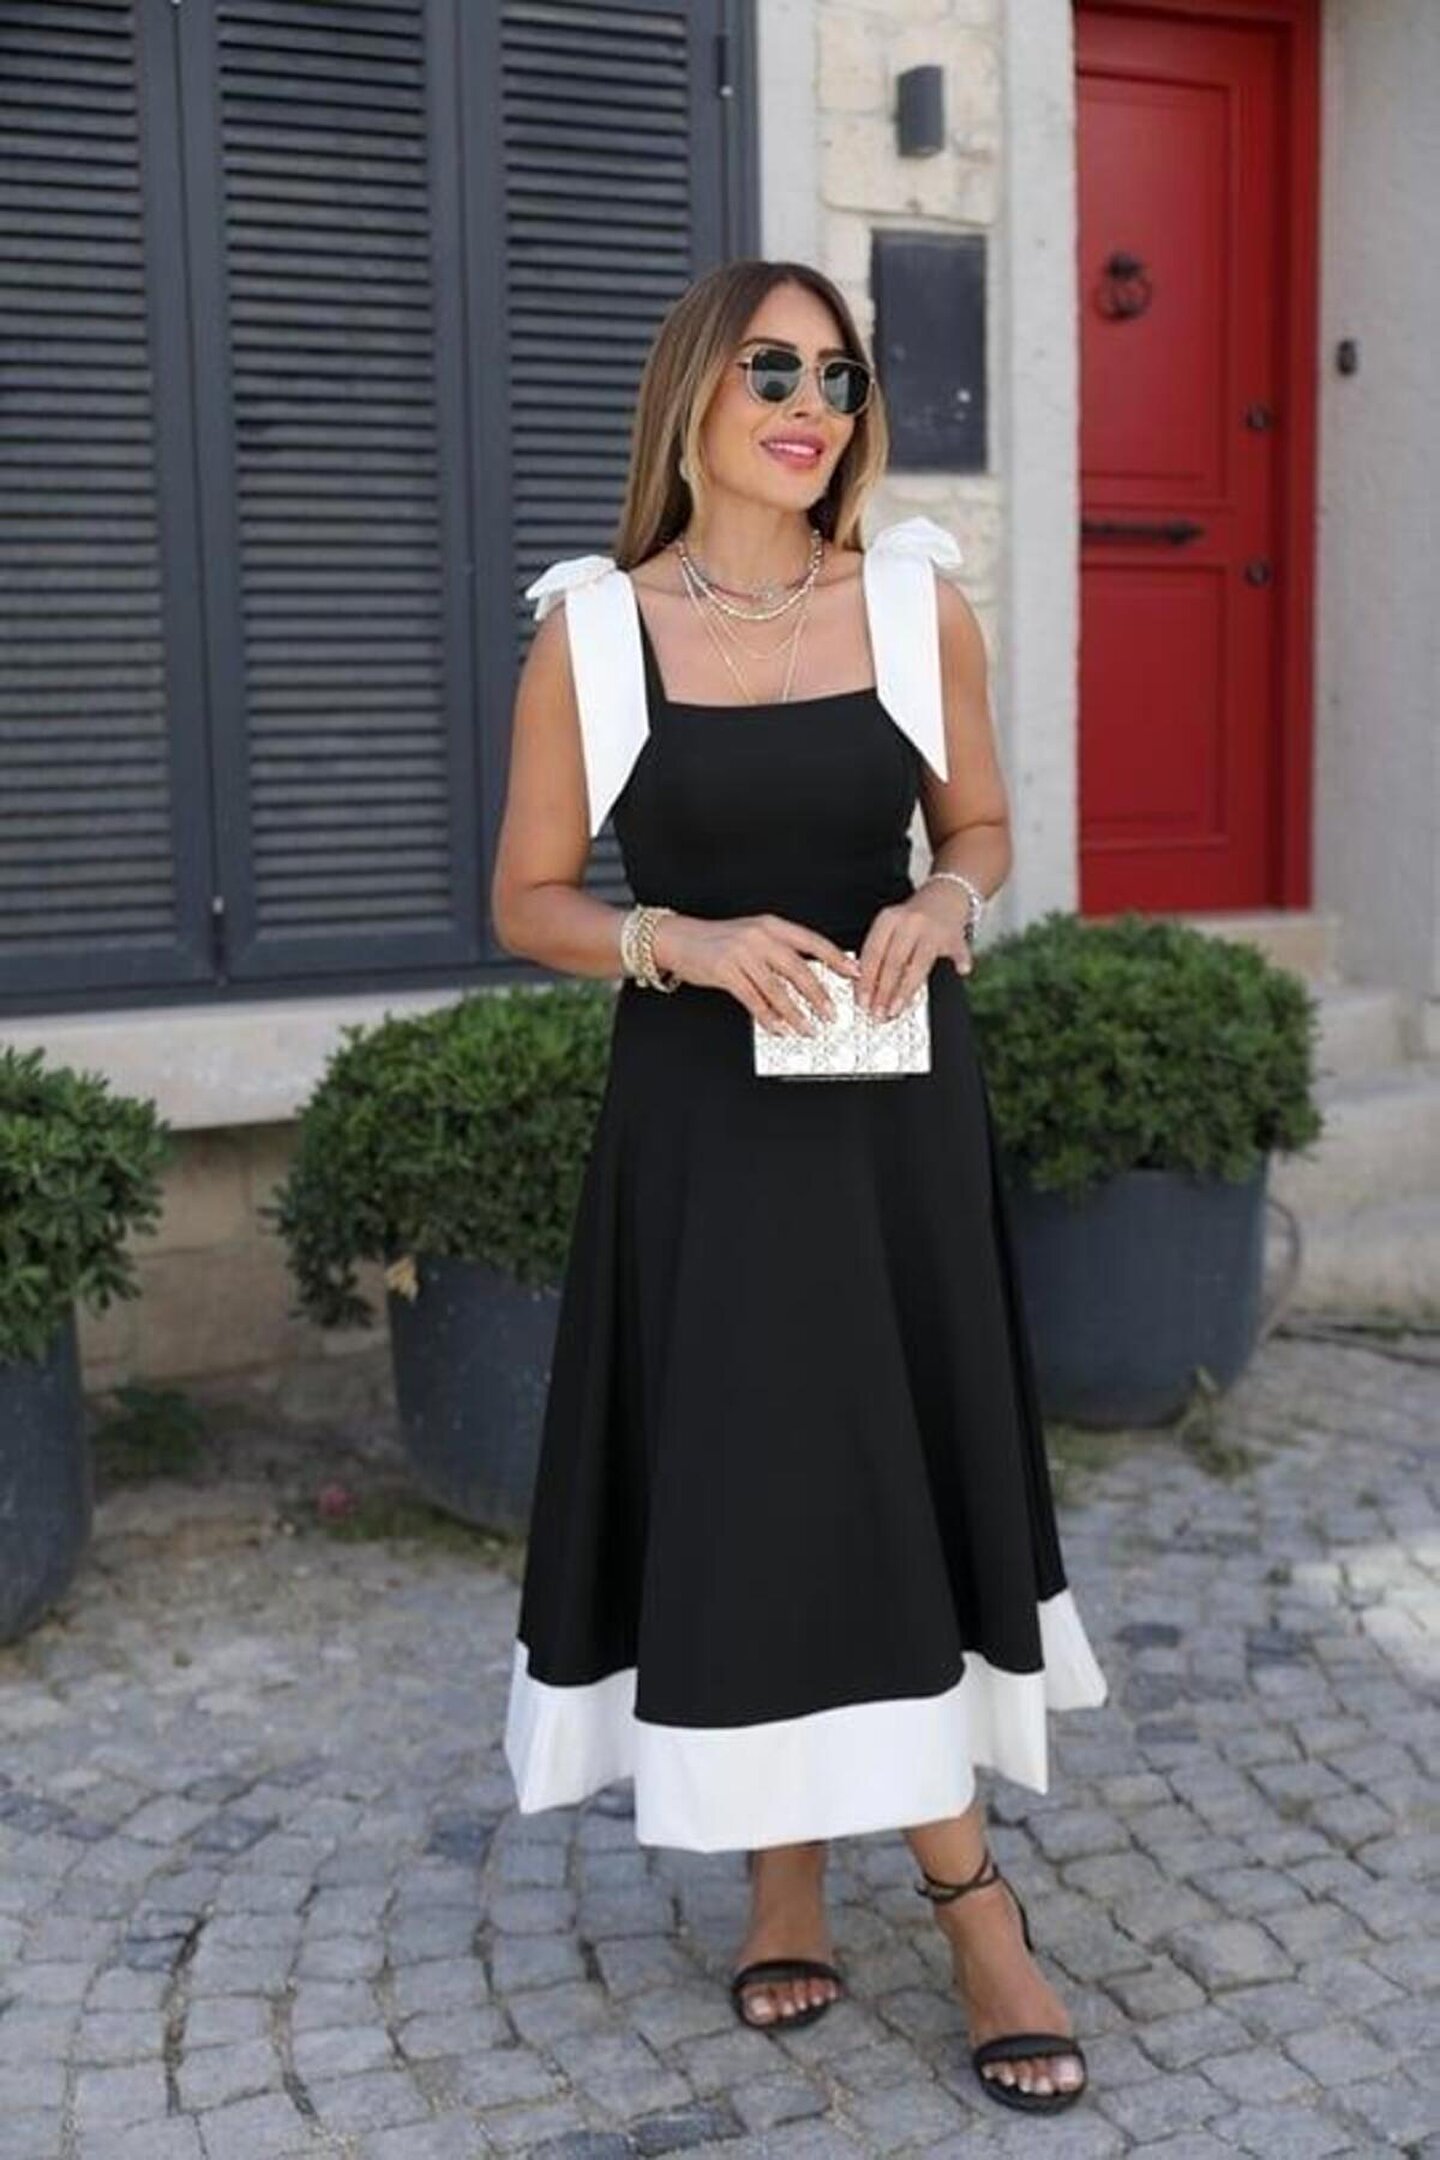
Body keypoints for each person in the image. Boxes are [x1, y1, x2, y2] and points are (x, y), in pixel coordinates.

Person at [490, 257, 1109, 2117]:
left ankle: (972, 1905)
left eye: (838, 378)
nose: (810, 406)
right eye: (771, 369)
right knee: (754, 1478)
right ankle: (784, 1871)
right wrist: (677, 941)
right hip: (703, 1131)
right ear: (691, 391)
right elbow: (529, 901)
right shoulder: (592, 632)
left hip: (893, 1112)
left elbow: (980, 823)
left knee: (888, 1471)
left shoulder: (915, 603)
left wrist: (948, 898)